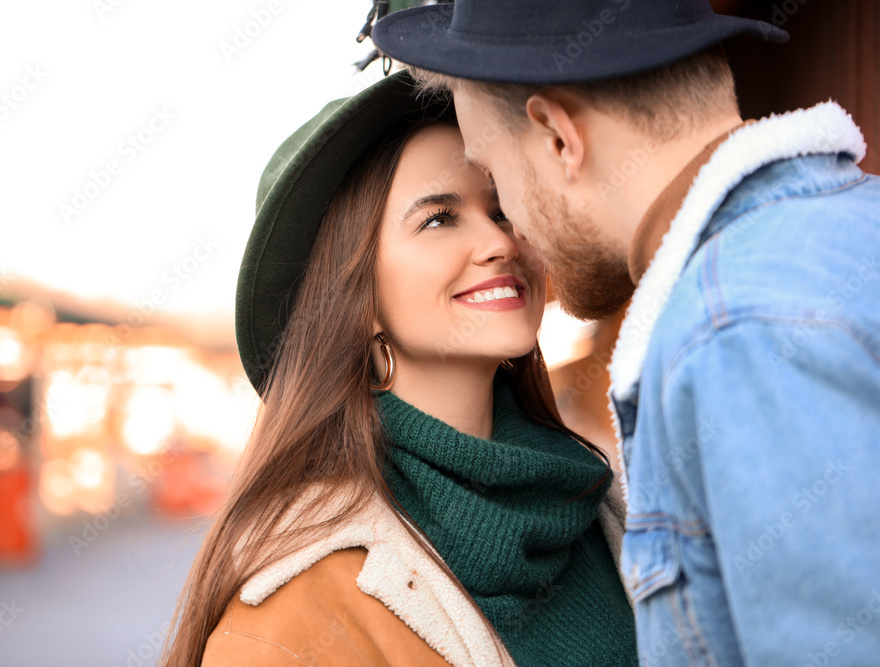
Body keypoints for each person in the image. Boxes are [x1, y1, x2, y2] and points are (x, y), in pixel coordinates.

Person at [371, 1, 880, 664]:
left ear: (559, 138)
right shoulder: (846, 230)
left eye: (496, 179)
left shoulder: (734, 335)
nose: (510, 232)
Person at [161, 71, 638, 666]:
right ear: (357, 303)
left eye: (502, 207)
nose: (500, 242)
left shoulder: (606, 507)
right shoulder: (288, 614)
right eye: (439, 218)